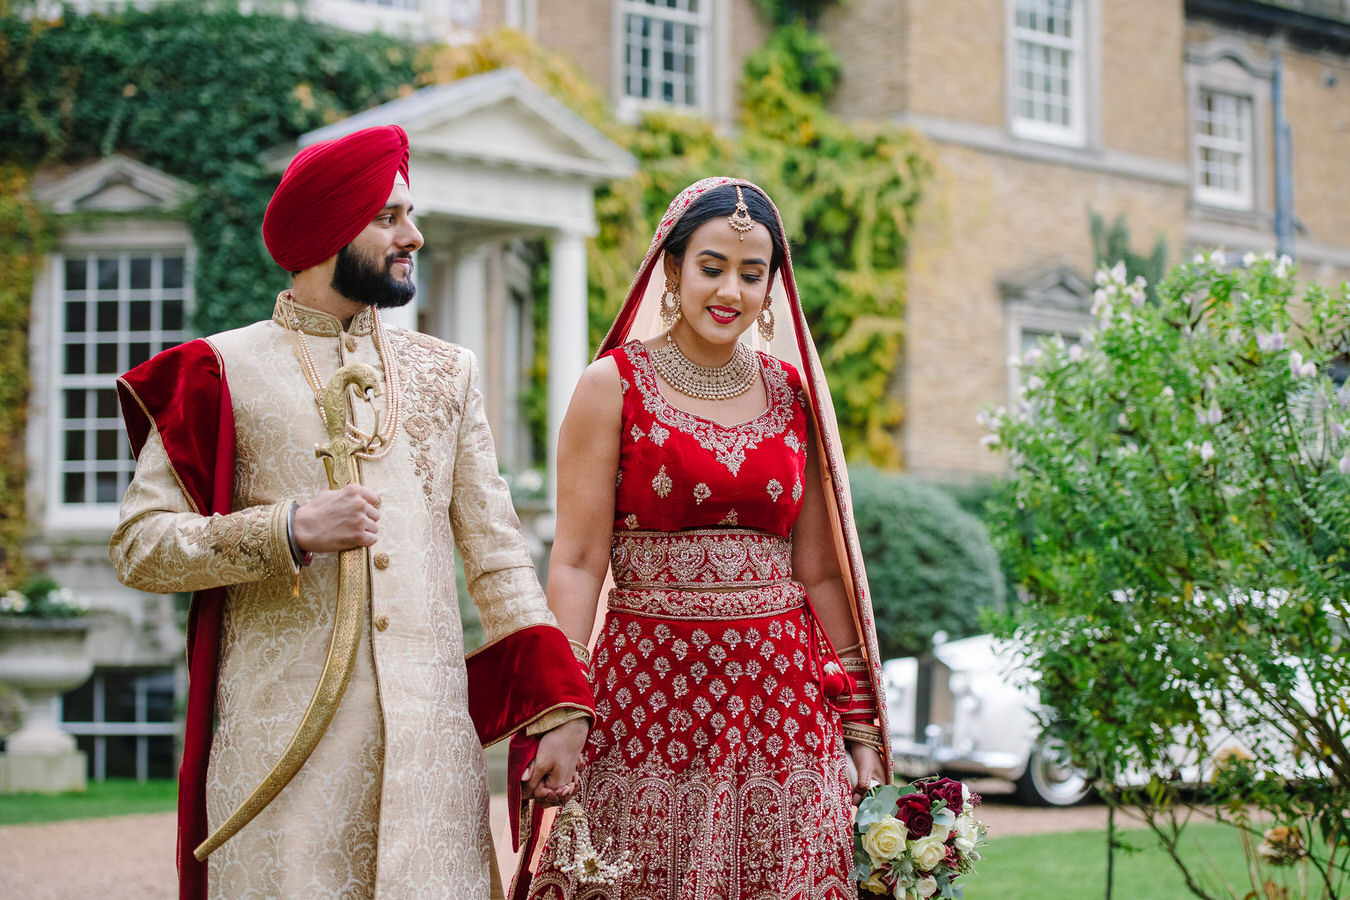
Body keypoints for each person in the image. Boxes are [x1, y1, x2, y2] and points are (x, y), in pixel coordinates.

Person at [110, 124, 593, 900]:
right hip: (281, 760)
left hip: (429, 764)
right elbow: (141, 546)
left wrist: (557, 706)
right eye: (389, 218)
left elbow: (498, 555)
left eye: (411, 213)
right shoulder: (220, 370)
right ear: (328, 231)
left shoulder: (447, 373)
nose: (414, 235)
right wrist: (288, 529)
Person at [516, 178, 891, 899]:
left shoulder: (794, 394)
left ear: (772, 285)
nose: (731, 291)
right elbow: (577, 561)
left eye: (752, 275)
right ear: (671, 270)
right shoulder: (612, 386)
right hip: (646, 706)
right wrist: (563, 708)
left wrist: (862, 725)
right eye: (712, 267)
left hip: (780, 709)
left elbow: (818, 571)